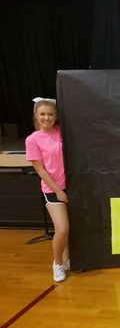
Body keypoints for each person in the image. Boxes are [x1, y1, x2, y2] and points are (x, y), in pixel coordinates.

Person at [25, 97, 70, 282]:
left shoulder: (62, 133)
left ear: (56, 116)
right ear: (36, 116)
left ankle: (67, 261)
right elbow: (39, 168)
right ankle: (57, 263)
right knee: (62, 228)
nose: (47, 117)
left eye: (50, 114)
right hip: (53, 190)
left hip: (71, 186)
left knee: (69, 230)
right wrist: (58, 191)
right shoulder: (33, 139)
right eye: (42, 114)